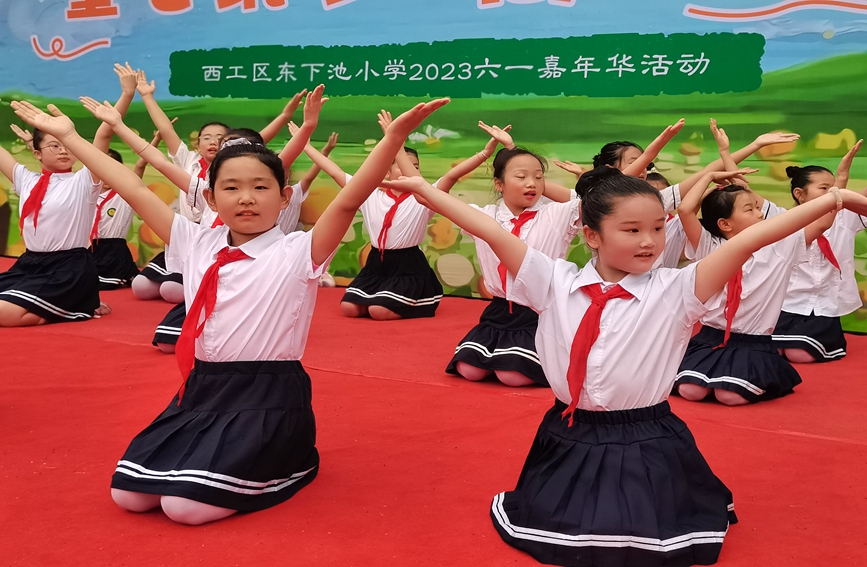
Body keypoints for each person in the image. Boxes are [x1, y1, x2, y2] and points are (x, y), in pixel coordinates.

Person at [380, 164, 863, 567]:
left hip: (644, 436)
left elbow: (745, 244)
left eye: (657, 228)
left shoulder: (679, 289)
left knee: (637, 532)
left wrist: (833, 198)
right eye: (631, 230)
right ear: (591, 234)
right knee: (564, 525)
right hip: (571, 426)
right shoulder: (553, 280)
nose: (650, 241)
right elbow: (486, 227)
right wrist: (425, 189)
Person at [19, 89, 450, 524]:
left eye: (260, 187)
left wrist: (392, 139)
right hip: (201, 391)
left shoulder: (300, 251)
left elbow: (348, 199)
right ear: (211, 200)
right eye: (231, 187)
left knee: (183, 508)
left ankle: (292, 456)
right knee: (129, 495)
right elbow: (130, 186)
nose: (246, 197)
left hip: (266, 395)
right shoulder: (194, 240)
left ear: (284, 199)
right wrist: (72, 137)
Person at [673, 156, 867, 404]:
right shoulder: (709, 246)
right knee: (692, 391)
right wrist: (709, 177)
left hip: (751, 342)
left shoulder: (780, 246)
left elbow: (821, 224)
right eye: (750, 209)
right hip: (711, 338)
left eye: (757, 207)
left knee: (729, 396)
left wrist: (839, 188)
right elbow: (684, 210)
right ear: (724, 224)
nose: (759, 213)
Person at [0, 63, 137, 326]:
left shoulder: (84, 179)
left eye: (67, 145)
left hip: (69, 268)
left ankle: (70, 303)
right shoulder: (26, 179)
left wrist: (127, 94)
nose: (64, 151)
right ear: (37, 153)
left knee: (3, 312)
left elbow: (104, 133)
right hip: (29, 264)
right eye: (54, 145)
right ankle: (71, 305)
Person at [445, 122, 577, 387]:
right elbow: (436, 195)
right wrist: (484, 155)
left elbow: (601, 198)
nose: (532, 184)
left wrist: (514, 152)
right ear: (499, 184)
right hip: (498, 312)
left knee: (512, 376)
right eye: (521, 177)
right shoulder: (486, 216)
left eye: (539, 177)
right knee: (469, 369)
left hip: (538, 314)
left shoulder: (558, 214)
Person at [773, 140, 866, 362]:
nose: (832, 192)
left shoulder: (846, 217)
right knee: (774, 352)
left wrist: (842, 179)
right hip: (788, 306)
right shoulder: (784, 220)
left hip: (825, 309)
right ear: (799, 193)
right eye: (824, 188)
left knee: (799, 355)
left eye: (834, 187)